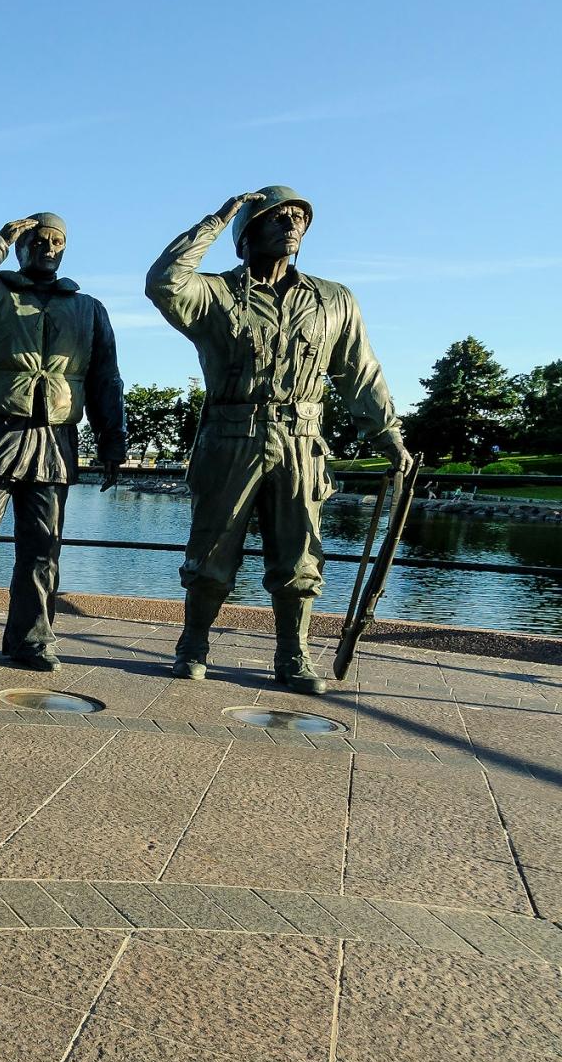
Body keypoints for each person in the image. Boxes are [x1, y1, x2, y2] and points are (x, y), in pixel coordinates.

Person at [147, 187, 407, 694]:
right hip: (230, 438)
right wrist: (218, 218)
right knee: (212, 550)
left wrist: (388, 436)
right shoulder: (214, 294)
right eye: (276, 217)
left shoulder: (333, 300)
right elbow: (163, 281)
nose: (291, 224)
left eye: (299, 218)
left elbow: (360, 372)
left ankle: (293, 654)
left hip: (302, 440)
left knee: (299, 556)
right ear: (246, 234)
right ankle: (193, 643)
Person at [0, 214, 127, 670]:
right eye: (35, 240)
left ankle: (32, 640)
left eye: (56, 241)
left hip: (55, 439)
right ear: (21, 245)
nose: (46, 247)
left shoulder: (88, 309)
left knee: (42, 548)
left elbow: (105, 379)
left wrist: (113, 442)